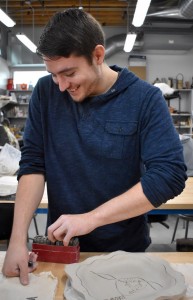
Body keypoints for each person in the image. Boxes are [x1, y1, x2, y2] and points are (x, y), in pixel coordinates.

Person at [2, 8, 187, 285]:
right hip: (61, 249)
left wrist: (91, 218)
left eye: (69, 73)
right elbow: (33, 164)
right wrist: (18, 239)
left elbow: (169, 175)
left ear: (98, 55)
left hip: (125, 252)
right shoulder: (45, 92)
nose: (61, 86)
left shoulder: (145, 100)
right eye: (53, 74)